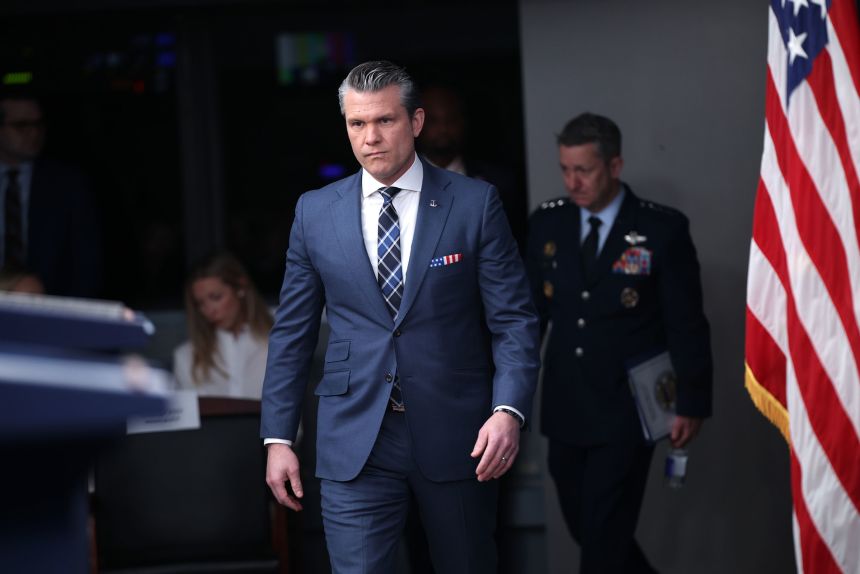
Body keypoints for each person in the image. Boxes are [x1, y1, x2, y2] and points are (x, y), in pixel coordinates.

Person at [261, 60, 540, 574]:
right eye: (356, 124)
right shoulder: (314, 212)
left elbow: (515, 321)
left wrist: (509, 410)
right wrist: (279, 437)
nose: (370, 137)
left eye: (384, 121)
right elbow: (292, 335)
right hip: (355, 434)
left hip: (460, 431)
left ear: (416, 122)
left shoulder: (474, 203)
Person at [525, 112, 713, 573]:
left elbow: (686, 321)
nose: (573, 182)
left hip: (629, 407)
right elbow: (532, 315)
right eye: (565, 169)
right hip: (566, 401)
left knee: (604, 533)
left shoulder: (660, 230)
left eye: (583, 170)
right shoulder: (548, 224)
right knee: (587, 526)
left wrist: (691, 400)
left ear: (614, 166)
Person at [0, 89, 102, 297]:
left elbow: (86, 263)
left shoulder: (66, 183)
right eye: (21, 125)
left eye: (38, 124)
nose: (33, 133)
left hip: (52, 311)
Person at [418, 84, 527, 249]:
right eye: (433, 121)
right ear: (416, 125)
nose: (443, 129)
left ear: (463, 122)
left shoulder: (497, 183)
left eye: (451, 119)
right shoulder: (400, 181)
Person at [173, 252, 273, 399]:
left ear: (240, 288)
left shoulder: (275, 345)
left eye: (216, 297)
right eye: (200, 303)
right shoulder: (186, 357)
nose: (209, 310)